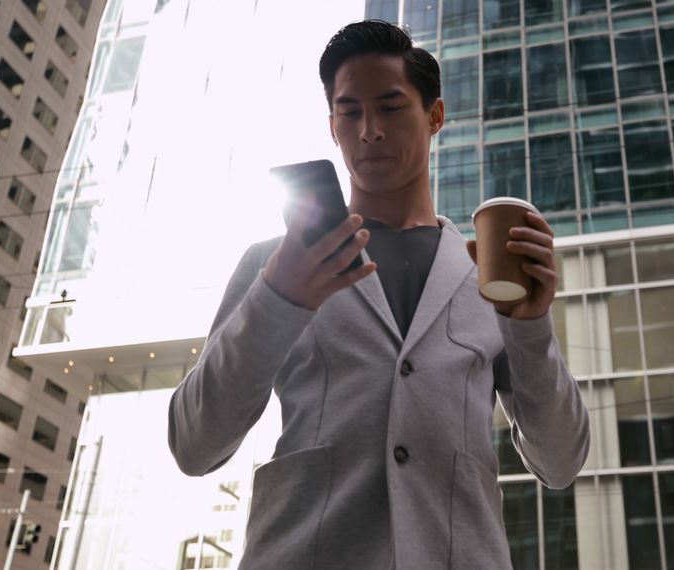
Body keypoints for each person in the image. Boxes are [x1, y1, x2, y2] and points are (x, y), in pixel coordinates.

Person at [168, 20, 589, 569]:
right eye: (350, 112)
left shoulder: (486, 275)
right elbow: (195, 445)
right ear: (332, 126)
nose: (369, 130)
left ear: (435, 116)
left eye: (390, 107)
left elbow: (559, 462)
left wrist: (530, 328)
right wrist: (277, 298)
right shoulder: (276, 262)